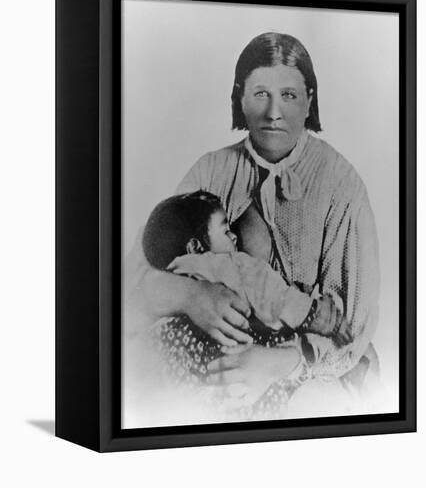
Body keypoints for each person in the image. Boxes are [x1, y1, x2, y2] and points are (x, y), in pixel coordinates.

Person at [125, 32, 380, 417]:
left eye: (289, 96)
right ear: (239, 98)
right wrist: (190, 296)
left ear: (310, 99)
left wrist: (280, 362)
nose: (273, 112)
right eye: (260, 94)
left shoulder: (342, 185)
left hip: (311, 375)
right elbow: (134, 283)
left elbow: (354, 329)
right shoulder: (211, 169)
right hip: (218, 360)